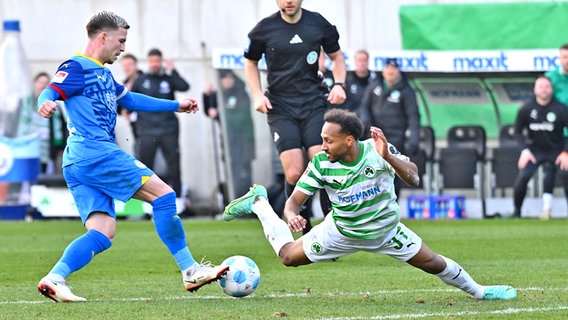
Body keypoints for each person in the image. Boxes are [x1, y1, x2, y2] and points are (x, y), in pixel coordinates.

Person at [223, 108, 517, 301]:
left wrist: (389, 157)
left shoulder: (378, 152)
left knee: (434, 263)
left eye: (328, 140)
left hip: (387, 231)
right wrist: (291, 216)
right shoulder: (321, 164)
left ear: (349, 140)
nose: (323, 146)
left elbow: (414, 178)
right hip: (340, 232)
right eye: (322, 140)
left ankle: (481, 292)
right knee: (287, 257)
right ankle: (259, 202)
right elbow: (293, 202)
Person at [35, 11, 228, 302]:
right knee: (164, 196)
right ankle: (190, 270)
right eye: (121, 40)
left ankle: (54, 278)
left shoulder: (104, 73)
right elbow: (50, 91)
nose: (123, 47)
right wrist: (46, 104)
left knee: (103, 231)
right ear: (103, 36)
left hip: (78, 161)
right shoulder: (77, 67)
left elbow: (132, 99)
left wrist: (175, 104)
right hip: (95, 152)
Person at [244, 0, 346, 233]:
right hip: (280, 107)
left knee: (322, 162)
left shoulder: (318, 23)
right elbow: (250, 62)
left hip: (313, 104)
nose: (288, 1)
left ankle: (332, 228)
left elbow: (337, 57)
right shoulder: (263, 29)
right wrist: (257, 94)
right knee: (294, 172)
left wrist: (339, 84)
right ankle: (304, 227)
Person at [131, 48, 190, 201]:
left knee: (174, 165)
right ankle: (146, 201)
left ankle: (177, 200)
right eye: (152, 61)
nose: (155, 64)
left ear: (161, 62)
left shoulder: (168, 79)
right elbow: (130, 100)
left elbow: (184, 86)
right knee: (145, 166)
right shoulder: (141, 80)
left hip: (168, 130)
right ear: (148, 62)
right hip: (147, 131)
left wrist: (173, 71)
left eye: (158, 61)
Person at [358, 58, 420, 197]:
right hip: (374, 137)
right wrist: (365, 121)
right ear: (384, 70)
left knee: (393, 171)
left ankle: (392, 204)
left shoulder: (406, 90)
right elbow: (364, 107)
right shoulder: (375, 86)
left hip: (395, 138)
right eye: (388, 68)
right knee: (372, 170)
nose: (390, 71)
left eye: (393, 68)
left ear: (398, 71)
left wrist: (413, 138)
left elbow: (413, 115)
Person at [512, 75, 568, 220]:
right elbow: (517, 132)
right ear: (535, 89)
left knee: (565, 174)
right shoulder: (526, 109)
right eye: (540, 87)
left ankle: (551, 210)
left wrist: (565, 152)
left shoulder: (561, 109)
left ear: (552, 90)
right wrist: (524, 150)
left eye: (547, 87)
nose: (544, 90)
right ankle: (517, 212)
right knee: (523, 176)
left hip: (557, 151)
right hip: (534, 151)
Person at [202, 69, 256, 199]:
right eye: (224, 79)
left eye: (229, 78)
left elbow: (240, 117)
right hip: (227, 141)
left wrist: (221, 114)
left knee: (243, 171)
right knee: (230, 170)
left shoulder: (241, 94)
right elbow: (209, 112)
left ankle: (247, 201)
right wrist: (206, 96)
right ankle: (233, 200)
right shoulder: (219, 95)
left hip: (243, 140)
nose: (227, 81)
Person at [118, 53, 142, 137]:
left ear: (136, 65)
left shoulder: (146, 81)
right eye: (124, 65)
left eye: (129, 64)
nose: (127, 68)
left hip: (150, 128)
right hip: (135, 128)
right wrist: (122, 111)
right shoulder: (124, 84)